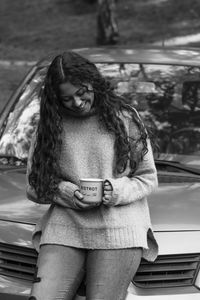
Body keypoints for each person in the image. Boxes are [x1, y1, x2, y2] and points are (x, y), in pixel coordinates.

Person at [26, 51, 158, 300]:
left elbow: (147, 178)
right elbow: (34, 186)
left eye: (82, 92)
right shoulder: (50, 124)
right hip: (65, 229)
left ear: (94, 83)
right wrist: (67, 192)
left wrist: (114, 191)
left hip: (119, 229)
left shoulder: (125, 118)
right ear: (56, 98)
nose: (76, 102)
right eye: (66, 99)